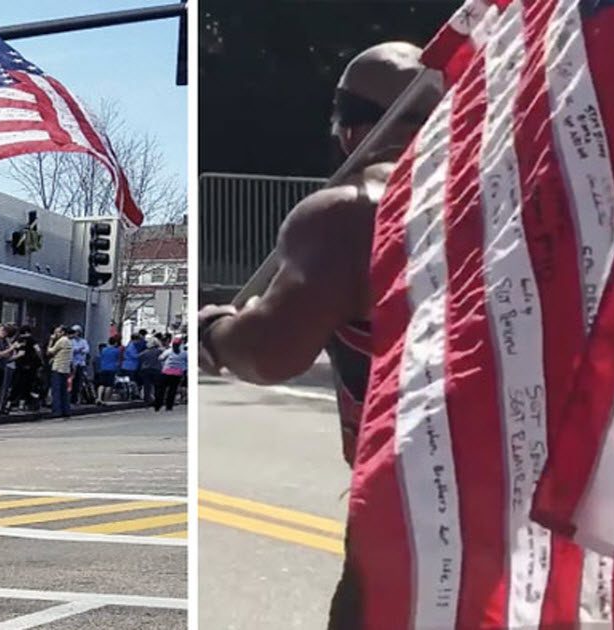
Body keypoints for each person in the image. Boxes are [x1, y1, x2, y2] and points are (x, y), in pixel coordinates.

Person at [195, 43, 442, 627]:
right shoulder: (517, 197)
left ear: (351, 128)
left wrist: (215, 331)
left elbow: (270, 353)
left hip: (412, 500)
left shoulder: (349, 215)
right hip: (542, 496)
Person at [46, 325, 74, 417]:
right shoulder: (69, 341)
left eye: (57, 332)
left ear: (62, 333)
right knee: (64, 391)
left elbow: (50, 351)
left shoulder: (62, 341)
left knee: (56, 391)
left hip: (58, 368)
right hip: (65, 368)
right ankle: (66, 410)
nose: (55, 334)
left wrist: (51, 341)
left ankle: (57, 411)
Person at [155, 336, 187, 412]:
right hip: (177, 373)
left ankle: (158, 405)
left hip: (166, 372)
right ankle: (169, 406)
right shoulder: (184, 353)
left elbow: (160, 358)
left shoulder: (169, 351)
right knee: (172, 390)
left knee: (161, 390)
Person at [69, 324, 91, 404]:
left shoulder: (83, 341)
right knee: (71, 381)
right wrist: (79, 349)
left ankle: (76, 398)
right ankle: (70, 398)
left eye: (76, 332)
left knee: (79, 381)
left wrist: (79, 350)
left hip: (81, 363)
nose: (75, 333)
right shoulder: (71, 341)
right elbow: (72, 350)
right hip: (73, 364)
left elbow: (86, 350)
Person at [96, 336, 122, 403]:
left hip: (103, 368)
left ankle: (99, 398)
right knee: (109, 385)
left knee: (101, 384)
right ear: (115, 343)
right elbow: (118, 360)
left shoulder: (104, 350)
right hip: (112, 369)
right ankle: (105, 399)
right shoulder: (117, 351)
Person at [138, 336, 164, 404]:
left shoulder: (144, 352)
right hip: (156, 370)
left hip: (145, 370)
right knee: (157, 385)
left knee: (147, 385)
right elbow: (163, 351)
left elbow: (139, 357)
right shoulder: (158, 351)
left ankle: (147, 400)